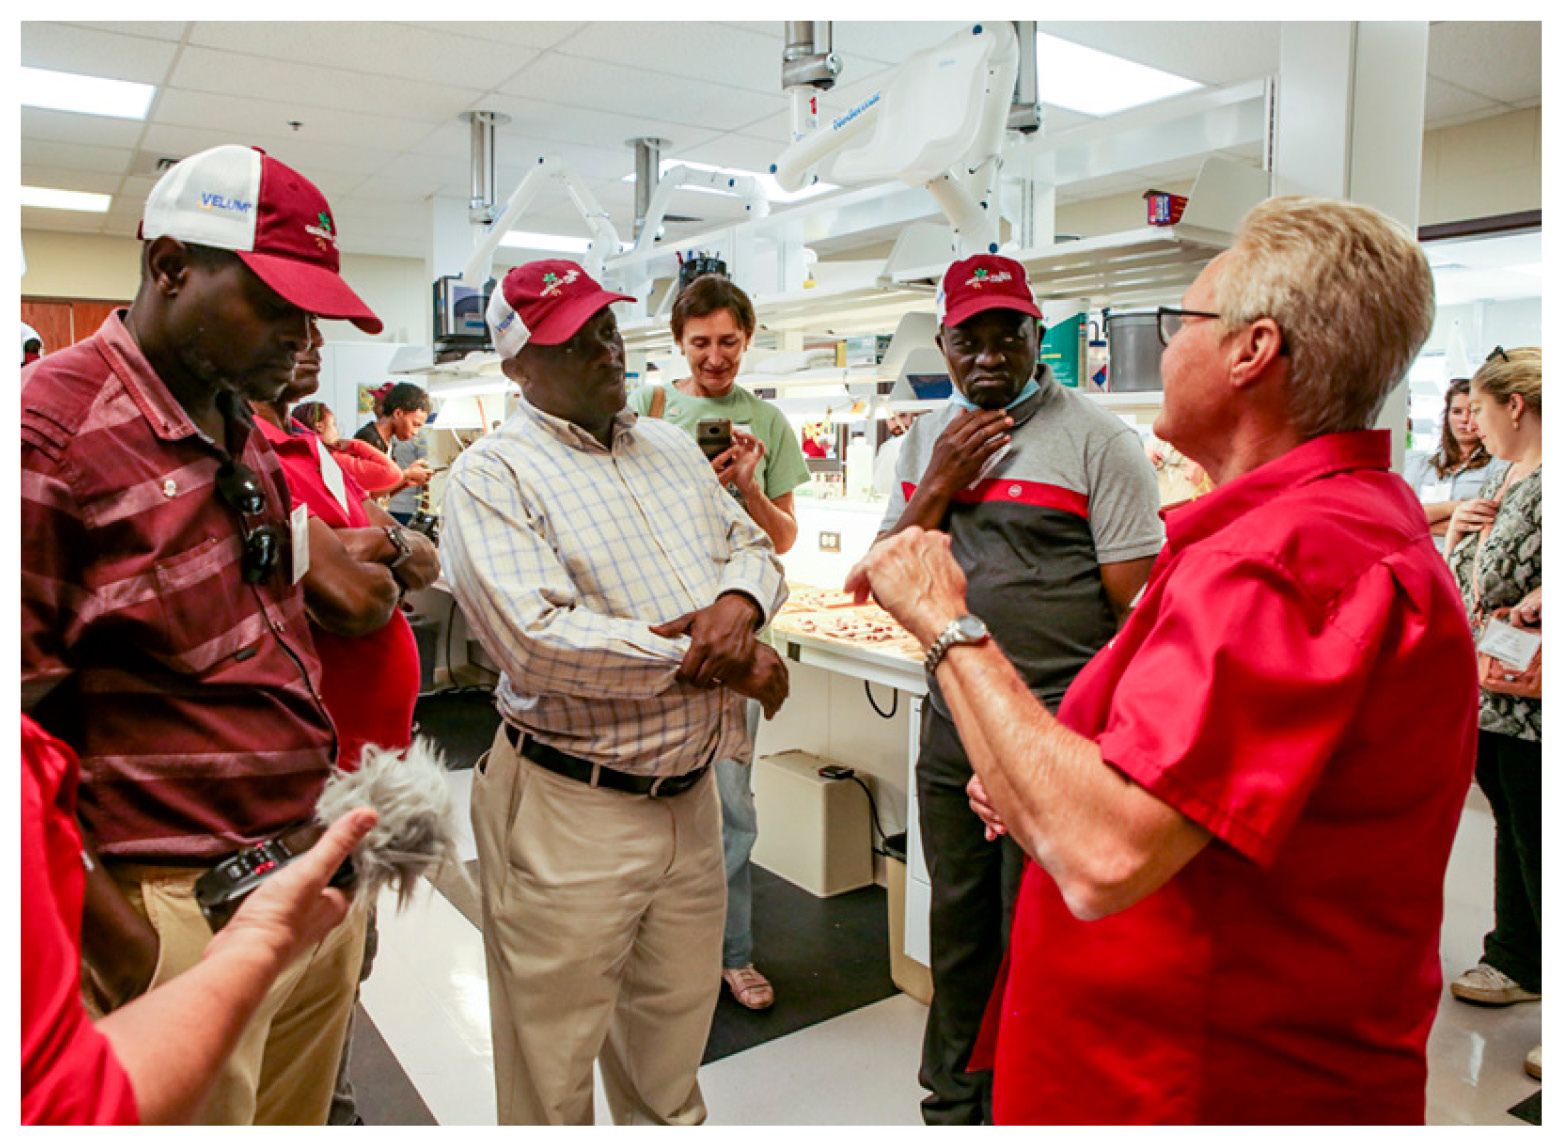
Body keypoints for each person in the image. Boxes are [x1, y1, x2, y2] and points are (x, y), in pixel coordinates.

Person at [849, 196, 1479, 1124]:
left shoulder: (1276, 566)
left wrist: (948, 626)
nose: (1160, 348)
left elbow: (1104, 849)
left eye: (1176, 322)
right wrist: (1048, 763)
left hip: (1192, 1083)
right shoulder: (1306, 532)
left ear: (1249, 351)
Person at [21, 143, 383, 1125]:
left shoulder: (238, 421)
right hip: (175, 912)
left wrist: (331, 879)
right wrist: (131, 956)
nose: (300, 336)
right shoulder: (45, 436)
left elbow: (275, 641)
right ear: (171, 265)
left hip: (298, 884)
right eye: (274, 302)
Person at [440, 259, 790, 1125]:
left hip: (690, 800)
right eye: (574, 336)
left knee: (669, 1058)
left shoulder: (668, 446)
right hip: (573, 806)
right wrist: (715, 658)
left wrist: (739, 606)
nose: (605, 347)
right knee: (550, 1067)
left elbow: (751, 545)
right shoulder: (492, 474)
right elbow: (536, 639)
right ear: (518, 366)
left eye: (607, 325)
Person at [866, 253, 1163, 1125]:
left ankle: (1032, 1108)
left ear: (1040, 339)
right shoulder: (924, 440)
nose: (990, 355)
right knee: (958, 925)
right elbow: (885, 570)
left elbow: (1130, 606)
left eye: (1010, 336)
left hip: (1056, 731)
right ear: (945, 343)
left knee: (1041, 931)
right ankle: (953, 1104)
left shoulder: (1100, 441)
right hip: (953, 719)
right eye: (970, 338)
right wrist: (944, 479)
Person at [250, 317, 442, 1124]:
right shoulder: (244, 449)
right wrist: (380, 553)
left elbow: (413, 555)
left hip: (364, 774)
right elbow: (357, 601)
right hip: (300, 781)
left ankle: (330, 1099)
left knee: (344, 957)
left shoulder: (310, 445)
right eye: (287, 323)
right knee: (284, 976)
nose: (313, 342)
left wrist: (367, 544)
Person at [22, 715, 378, 1125]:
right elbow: (72, 1102)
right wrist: (131, 958)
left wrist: (257, 942)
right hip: (184, 905)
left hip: (286, 895)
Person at [627, 273, 812, 1011]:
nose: (715, 357)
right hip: (659, 630)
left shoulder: (764, 422)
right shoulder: (649, 409)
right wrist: (686, 485)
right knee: (644, 803)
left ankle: (731, 954)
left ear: (747, 340)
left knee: (731, 806)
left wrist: (751, 486)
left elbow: (784, 540)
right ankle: (652, 953)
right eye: (699, 343)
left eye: (728, 342)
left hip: (737, 638)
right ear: (677, 345)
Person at [1443, 346, 1542, 1079]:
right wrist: (1456, 538)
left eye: (1477, 407)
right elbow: (1470, 579)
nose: (1470, 423)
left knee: (1545, 843)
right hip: (1495, 692)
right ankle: (1514, 954)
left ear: (1514, 405)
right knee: (1513, 824)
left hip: (1538, 700)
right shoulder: (1504, 479)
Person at [1403, 378, 1502, 548]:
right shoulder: (1421, 464)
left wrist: (1423, 520)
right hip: (1422, 558)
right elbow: (1400, 517)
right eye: (1457, 411)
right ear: (1447, 416)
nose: (1465, 419)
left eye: (1472, 411)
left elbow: (1488, 525)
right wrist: (1455, 507)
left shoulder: (1499, 465)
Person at [293, 398, 405, 497]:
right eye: (333, 424)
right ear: (320, 427)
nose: (337, 431)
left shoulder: (299, 459)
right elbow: (392, 473)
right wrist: (356, 444)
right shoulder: (333, 460)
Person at [354, 381, 433, 520]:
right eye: (415, 424)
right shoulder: (369, 439)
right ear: (398, 413)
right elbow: (365, 494)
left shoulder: (387, 442)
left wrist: (407, 482)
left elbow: (382, 494)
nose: (415, 432)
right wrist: (406, 475)